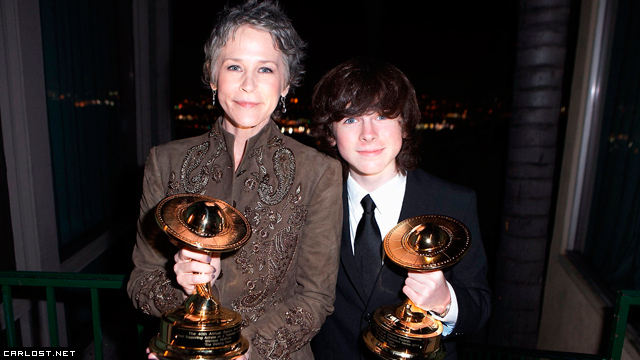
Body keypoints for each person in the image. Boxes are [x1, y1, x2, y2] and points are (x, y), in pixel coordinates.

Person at [127, 2, 343, 359]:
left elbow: (315, 298)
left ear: (286, 83)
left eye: (265, 69)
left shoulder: (319, 171)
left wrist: (243, 351)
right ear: (212, 76)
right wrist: (179, 284)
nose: (248, 85)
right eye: (234, 66)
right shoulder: (164, 161)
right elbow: (140, 282)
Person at [309, 58, 490, 359]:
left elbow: (481, 307)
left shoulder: (454, 202)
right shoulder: (311, 203)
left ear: (404, 124)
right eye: (350, 119)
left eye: (382, 116)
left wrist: (446, 303)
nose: (368, 134)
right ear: (331, 133)